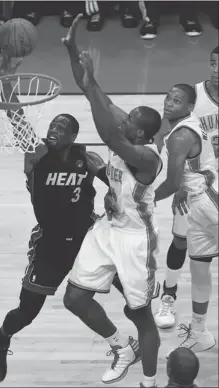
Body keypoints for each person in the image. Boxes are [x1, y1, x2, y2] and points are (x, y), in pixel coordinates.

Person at [0, 53, 113, 383]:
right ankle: (1, 340)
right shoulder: (37, 153)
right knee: (27, 313)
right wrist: (6, 77)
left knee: (128, 283)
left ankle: (133, 336)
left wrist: (116, 194)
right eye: (53, 124)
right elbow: (15, 116)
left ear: (73, 136)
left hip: (88, 236)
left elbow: (118, 182)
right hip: (50, 243)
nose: (54, 129)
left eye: (62, 127)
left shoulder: (88, 158)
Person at [62, 14, 162, 388]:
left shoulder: (149, 156)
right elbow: (92, 91)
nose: (123, 123)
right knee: (74, 299)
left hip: (136, 240)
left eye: (130, 122)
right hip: (108, 229)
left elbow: (109, 132)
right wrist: (73, 51)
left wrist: (91, 85)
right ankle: (122, 347)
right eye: (126, 118)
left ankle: (149, 383)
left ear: (142, 133)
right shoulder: (130, 132)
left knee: (141, 315)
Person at [154, 47, 219, 329]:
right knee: (181, 240)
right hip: (194, 186)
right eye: (213, 63)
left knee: (201, 257)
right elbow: (164, 135)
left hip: (209, 180)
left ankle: (199, 325)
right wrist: (177, 179)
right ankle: (168, 295)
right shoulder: (192, 98)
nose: (216, 70)